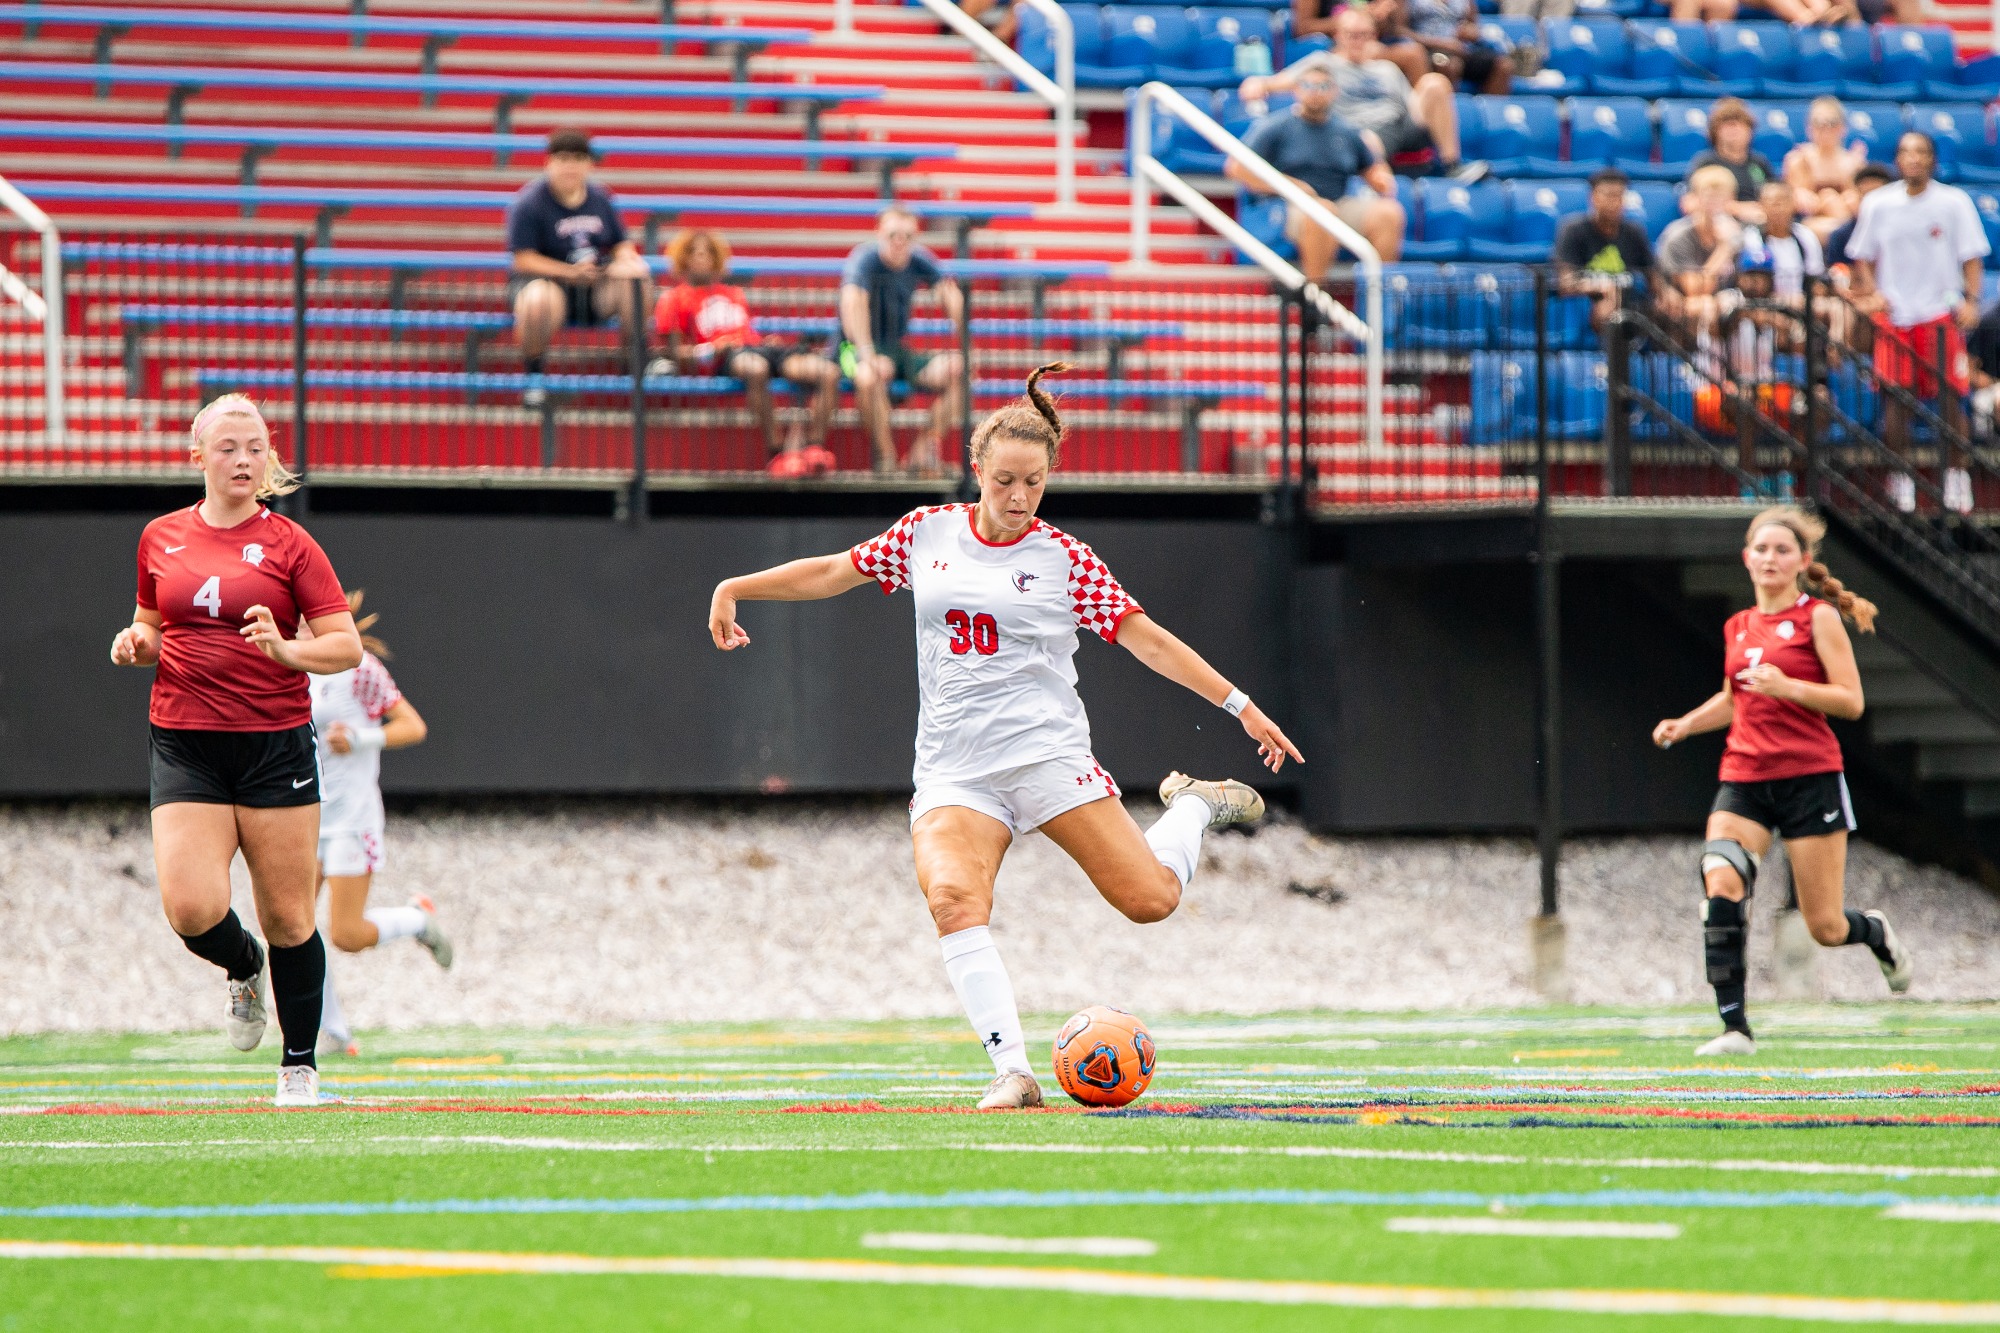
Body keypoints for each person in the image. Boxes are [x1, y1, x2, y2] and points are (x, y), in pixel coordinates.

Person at [706, 365, 1304, 1110]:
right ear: (977, 471)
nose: (1020, 498)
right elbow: (833, 571)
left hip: (1048, 760)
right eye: (1006, 481)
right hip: (957, 773)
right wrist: (736, 586)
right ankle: (1014, 1072)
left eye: (1035, 483)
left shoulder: (1065, 559)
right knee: (954, 898)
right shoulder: (927, 533)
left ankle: (1192, 805)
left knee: (1149, 901)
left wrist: (1239, 704)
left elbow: (1147, 640)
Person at [108, 395, 362, 1108]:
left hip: (274, 746)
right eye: (229, 447)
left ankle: (300, 1068)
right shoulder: (160, 536)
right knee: (191, 908)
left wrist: (287, 650)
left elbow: (346, 645)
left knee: (288, 916)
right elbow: (153, 623)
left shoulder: (290, 543)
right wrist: (138, 643)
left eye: (255, 446)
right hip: (186, 741)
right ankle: (242, 964)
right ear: (199, 456)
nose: (245, 459)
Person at [1651, 506, 1911, 1058]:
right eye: (1761, 550)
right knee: (1721, 879)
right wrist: (1686, 725)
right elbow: (1733, 697)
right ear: (1746, 558)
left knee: (1826, 927)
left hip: (1809, 777)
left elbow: (1851, 701)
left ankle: (1876, 932)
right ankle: (1734, 1027)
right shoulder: (1737, 625)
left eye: (1781, 550)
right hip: (1744, 775)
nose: (1770, 558)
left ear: (1803, 562)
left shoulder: (1817, 618)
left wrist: (1788, 686)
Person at [309, 590, 449, 1059]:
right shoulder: (285, 669)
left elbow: (413, 725)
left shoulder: (358, 669)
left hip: (351, 819)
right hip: (302, 817)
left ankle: (417, 920)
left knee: (345, 935)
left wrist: (362, 737)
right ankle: (331, 1031)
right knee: (289, 926)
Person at [1845, 131, 1990, 515]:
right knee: (1896, 400)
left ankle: (1957, 479)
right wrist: (1874, 293)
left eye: (1921, 152)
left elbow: (1972, 257)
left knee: (1951, 399)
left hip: (1940, 315)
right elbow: (1862, 256)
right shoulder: (1878, 203)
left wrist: (1971, 301)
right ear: (1897, 159)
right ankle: (1900, 478)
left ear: (1932, 160)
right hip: (1895, 317)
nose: (1913, 159)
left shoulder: (1954, 202)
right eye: (1905, 151)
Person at [654, 228, 842, 475]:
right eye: (694, 253)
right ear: (683, 258)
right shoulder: (673, 299)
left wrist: (766, 342)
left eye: (707, 252)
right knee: (756, 368)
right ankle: (777, 453)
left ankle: (814, 448)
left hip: (757, 348)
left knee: (827, 371)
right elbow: (676, 354)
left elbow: (745, 332)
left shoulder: (734, 293)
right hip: (726, 356)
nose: (701, 258)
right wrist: (712, 348)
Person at [1244, 7, 1484, 182]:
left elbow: (1412, 107)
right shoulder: (1323, 64)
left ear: (1374, 37)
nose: (1358, 41)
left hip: (1397, 123)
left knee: (1435, 83)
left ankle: (1452, 165)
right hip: (1357, 131)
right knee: (1368, 140)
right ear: (1339, 36)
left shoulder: (1386, 69)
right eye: (1352, 34)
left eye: (1365, 35)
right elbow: (1279, 82)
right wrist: (1258, 84)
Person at [507, 128, 653, 408]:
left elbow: (620, 243)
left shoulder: (600, 199)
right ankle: (534, 376)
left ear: (589, 164)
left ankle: (636, 360)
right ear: (548, 162)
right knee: (538, 299)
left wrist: (627, 260)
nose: (569, 166)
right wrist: (569, 272)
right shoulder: (530, 203)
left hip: (592, 286)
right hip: (546, 285)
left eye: (577, 158)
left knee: (636, 278)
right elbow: (523, 258)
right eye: (562, 158)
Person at [1233, 63, 1407, 282]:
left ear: (1334, 91)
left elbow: (1372, 168)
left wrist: (1380, 178)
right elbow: (1236, 168)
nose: (1315, 92)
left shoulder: (1347, 131)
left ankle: (1379, 298)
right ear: (1296, 90)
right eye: (1308, 85)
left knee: (1388, 213)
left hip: (1339, 202)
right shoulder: (1276, 127)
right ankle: (1316, 298)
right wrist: (1291, 186)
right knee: (1322, 211)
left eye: (1323, 86)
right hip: (1287, 206)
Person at [839, 207, 966, 476]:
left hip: (898, 350)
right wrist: (867, 354)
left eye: (907, 236)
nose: (900, 242)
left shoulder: (918, 259)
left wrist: (967, 345)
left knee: (961, 372)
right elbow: (852, 304)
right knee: (868, 376)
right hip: (855, 347)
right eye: (893, 235)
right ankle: (887, 458)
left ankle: (921, 451)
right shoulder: (865, 259)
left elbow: (950, 294)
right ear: (879, 234)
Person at [1553, 168, 1662, 334]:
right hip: (1586, 308)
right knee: (1607, 311)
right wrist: (1601, 286)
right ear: (1593, 197)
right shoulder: (1573, 229)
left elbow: (1653, 277)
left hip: (1631, 305)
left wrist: (1668, 295)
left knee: (1671, 310)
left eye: (1619, 196)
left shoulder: (1634, 232)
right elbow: (1566, 283)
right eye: (1609, 195)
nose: (1615, 202)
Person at [1657, 165, 1746, 332]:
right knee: (1705, 305)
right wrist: (1725, 248)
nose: (1715, 205)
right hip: (1679, 307)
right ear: (1696, 199)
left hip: (1724, 300)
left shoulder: (1741, 235)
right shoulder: (1678, 236)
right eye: (1710, 198)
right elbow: (1696, 289)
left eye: (1721, 198)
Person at [1783, 97, 1868, 246]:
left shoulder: (1854, 162)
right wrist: (1826, 200)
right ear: (1809, 128)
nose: (1826, 130)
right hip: (1811, 224)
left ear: (1843, 128)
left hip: (1843, 223)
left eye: (1832, 124)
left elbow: (1858, 204)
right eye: (1819, 124)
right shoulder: (1799, 159)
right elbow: (1798, 202)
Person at [1681, 99, 1775, 226]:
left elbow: (1776, 197)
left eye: (1739, 124)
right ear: (1715, 131)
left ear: (1750, 130)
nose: (1734, 130)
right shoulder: (1705, 162)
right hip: (1719, 225)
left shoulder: (1760, 162)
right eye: (1727, 124)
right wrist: (1735, 209)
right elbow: (1689, 204)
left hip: (1759, 225)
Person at [1405, 0, 1514, 94]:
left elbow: (1473, 25)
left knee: (1503, 65)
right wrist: (1443, 43)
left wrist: (1471, 32)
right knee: (1451, 65)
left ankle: (1491, 116)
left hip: (1462, 49)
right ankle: (1444, 115)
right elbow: (1399, 31)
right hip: (1427, 49)